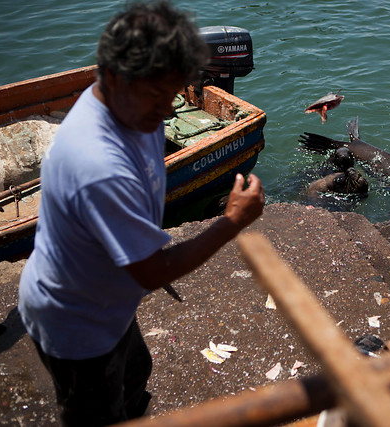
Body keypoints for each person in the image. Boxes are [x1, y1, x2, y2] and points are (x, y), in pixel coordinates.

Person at [17, 2, 265, 425]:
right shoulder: (98, 166)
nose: (169, 112)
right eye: (157, 96)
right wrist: (231, 222)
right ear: (113, 77)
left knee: (135, 374)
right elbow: (152, 271)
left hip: (107, 300)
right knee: (96, 410)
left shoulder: (133, 108)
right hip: (76, 319)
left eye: (174, 93)